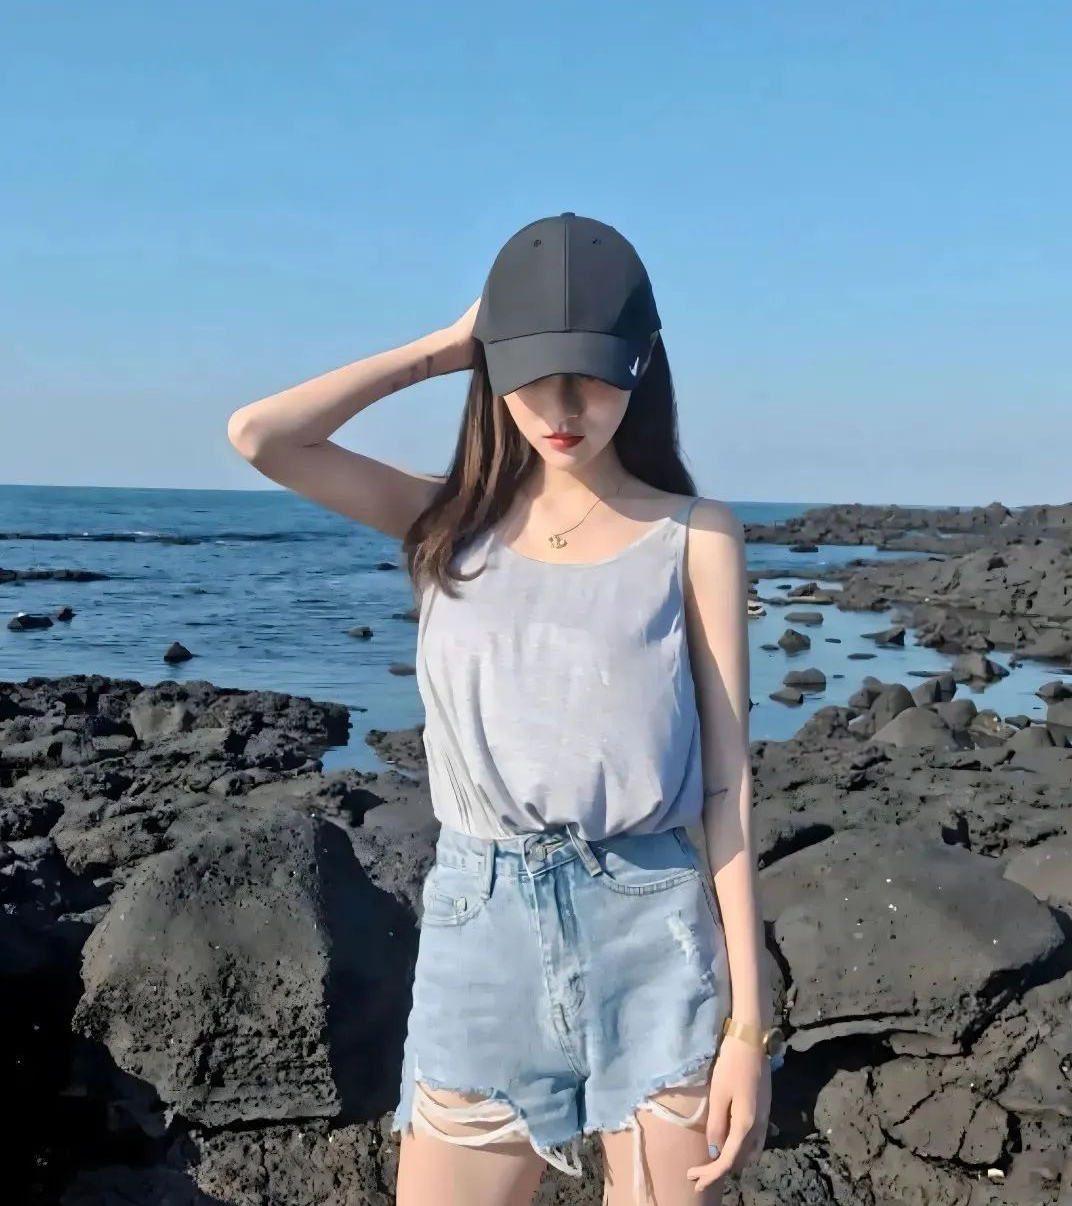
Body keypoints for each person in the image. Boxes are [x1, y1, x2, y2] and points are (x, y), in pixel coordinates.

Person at [228, 211, 779, 1205]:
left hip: (652, 931)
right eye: (532, 374)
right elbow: (262, 436)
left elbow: (728, 782)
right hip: (480, 934)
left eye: (591, 375)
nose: (561, 408)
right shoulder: (446, 522)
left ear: (642, 363)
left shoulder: (696, 535)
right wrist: (448, 348)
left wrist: (750, 1025)